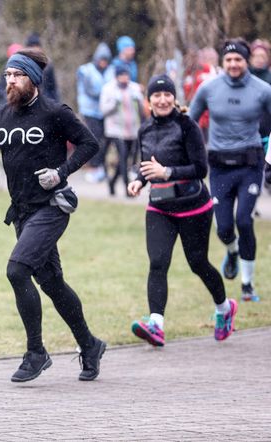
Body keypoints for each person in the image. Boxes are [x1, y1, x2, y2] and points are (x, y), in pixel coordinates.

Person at [0, 47, 106, 383]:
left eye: (17, 75)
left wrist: (61, 172)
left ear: (33, 78)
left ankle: (36, 352)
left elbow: (90, 144)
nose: (10, 81)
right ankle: (90, 345)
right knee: (51, 282)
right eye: (7, 76)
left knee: (17, 270)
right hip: (21, 212)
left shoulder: (54, 112)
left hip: (52, 207)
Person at [127, 75, 238, 347]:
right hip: (160, 207)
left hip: (193, 208)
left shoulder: (187, 126)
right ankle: (156, 324)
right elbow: (142, 164)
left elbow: (201, 169)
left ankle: (224, 309)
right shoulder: (145, 130)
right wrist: (138, 181)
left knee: (197, 263)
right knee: (158, 262)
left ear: (174, 98)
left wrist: (167, 172)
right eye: (157, 95)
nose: (162, 100)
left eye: (167, 95)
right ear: (149, 100)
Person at [189, 39, 271, 302]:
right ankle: (232, 251)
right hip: (220, 166)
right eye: (229, 60)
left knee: (244, 220)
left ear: (246, 61)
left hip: (250, 163)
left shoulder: (263, 90)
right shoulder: (208, 88)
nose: (234, 64)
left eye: (239, 60)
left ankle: (247, 284)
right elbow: (189, 123)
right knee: (224, 227)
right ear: (222, 62)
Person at [99, 65, 145, 196]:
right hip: (116, 131)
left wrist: (139, 98)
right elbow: (103, 110)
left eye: (126, 75)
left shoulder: (134, 88)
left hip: (132, 130)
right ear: (117, 76)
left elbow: (142, 110)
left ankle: (112, 182)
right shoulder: (108, 89)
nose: (124, 78)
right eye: (122, 75)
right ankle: (127, 188)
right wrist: (114, 102)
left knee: (126, 159)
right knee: (124, 158)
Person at [77, 42, 115, 183]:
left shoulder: (112, 70)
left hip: (106, 110)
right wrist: (105, 94)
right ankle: (94, 167)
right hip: (90, 110)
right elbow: (89, 90)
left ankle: (101, 166)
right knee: (95, 138)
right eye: (101, 60)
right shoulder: (85, 70)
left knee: (107, 139)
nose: (103, 63)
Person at [24, 32, 60, 101]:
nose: (34, 50)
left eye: (36, 47)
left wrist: (55, 104)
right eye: (32, 47)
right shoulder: (22, 64)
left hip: (45, 101)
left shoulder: (48, 64)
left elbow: (53, 88)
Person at [249, 39, 271, 146]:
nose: (259, 59)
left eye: (262, 56)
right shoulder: (243, 78)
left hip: (266, 132)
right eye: (256, 56)